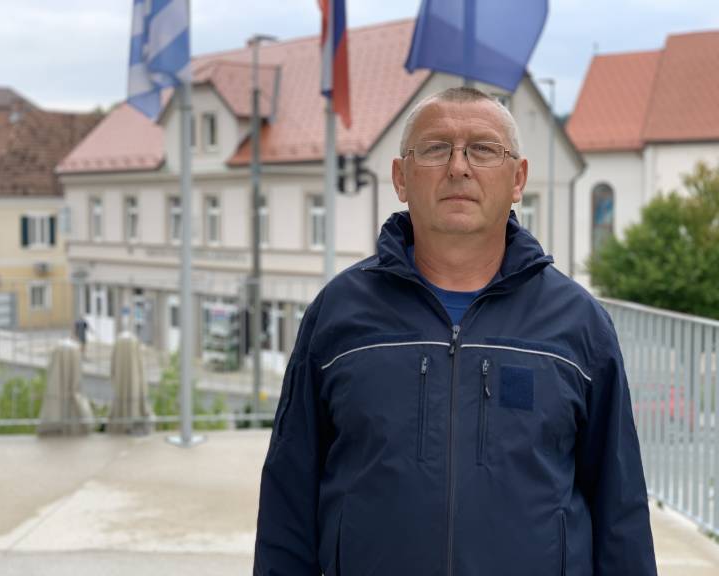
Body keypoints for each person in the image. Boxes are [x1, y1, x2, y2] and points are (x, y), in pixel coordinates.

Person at [254, 87, 656, 575]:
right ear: (401, 178)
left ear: (518, 178)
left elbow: (620, 511)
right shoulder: (338, 315)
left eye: (483, 149)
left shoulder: (579, 324)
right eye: (435, 148)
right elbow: (288, 500)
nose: (458, 167)